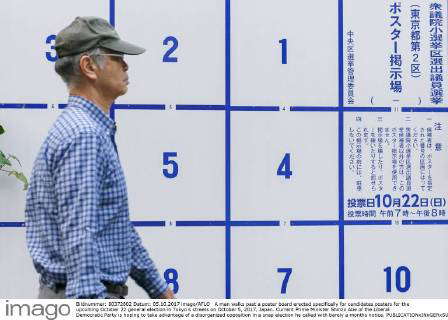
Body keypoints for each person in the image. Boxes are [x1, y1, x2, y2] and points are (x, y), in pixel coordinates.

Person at [25, 16, 174, 299]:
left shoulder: (87, 129)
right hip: (86, 298)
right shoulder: (85, 135)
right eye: (116, 56)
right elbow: (80, 234)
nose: (126, 65)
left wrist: (160, 290)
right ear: (88, 66)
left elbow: (114, 228)